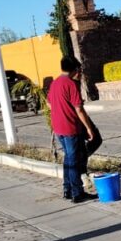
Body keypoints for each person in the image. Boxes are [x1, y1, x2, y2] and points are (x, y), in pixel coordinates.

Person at [47, 56, 96, 202]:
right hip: (70, 128)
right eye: (79, 70)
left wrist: (60, 110)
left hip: (58, 128)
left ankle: (67, 189)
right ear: (74, 69)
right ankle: (77, 192)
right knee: (73, 161)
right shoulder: (70, 84)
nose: (79, 73)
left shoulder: (55, 83)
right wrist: (89, 128)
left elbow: (49, 103)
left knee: (68, 159)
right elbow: (79, 109)